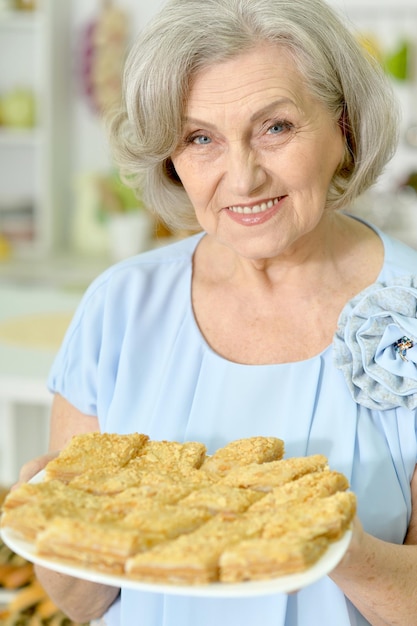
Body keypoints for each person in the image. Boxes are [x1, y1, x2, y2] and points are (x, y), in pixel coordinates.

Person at [16, 0, 417, 624]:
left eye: (275, 127)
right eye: (200, 138)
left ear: (343, 127)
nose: (243, 177)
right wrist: (61, 519)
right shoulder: (118, 307)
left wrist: (321, 538)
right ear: (169, 158)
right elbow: (82, 601)